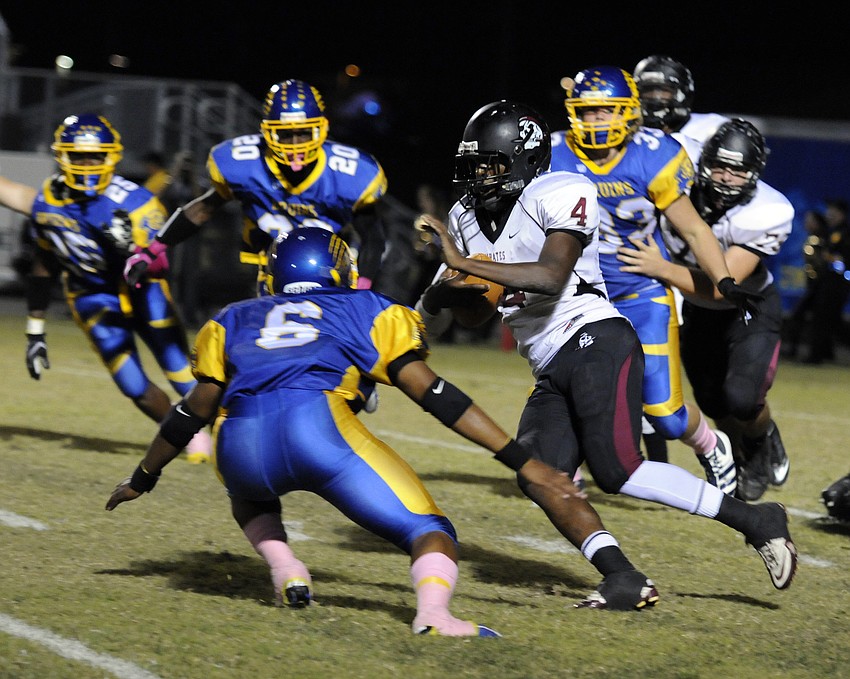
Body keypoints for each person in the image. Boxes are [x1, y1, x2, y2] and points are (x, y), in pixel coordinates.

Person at [105, 227, 589, 636]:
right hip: (317, 427)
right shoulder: (367, 309)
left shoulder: (231, 318)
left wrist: (143, 476)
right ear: (339, 271)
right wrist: (525, 463)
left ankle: (285, 566)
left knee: (248, 494)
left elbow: (192, 414)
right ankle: (434, 614)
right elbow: (435, 395)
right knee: (429, 531)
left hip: (240, 445)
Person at [415, 100, 797, 607]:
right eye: (475, 164)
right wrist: (439, 294)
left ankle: (757, 520)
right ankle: (624, 578)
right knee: (539, 473)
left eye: (493, 163)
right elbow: (476, 315)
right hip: (548, 360)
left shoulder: (560, 190)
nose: (481, 175)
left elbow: (551, 276)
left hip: (595, 336)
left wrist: (462, 263)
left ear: (526, 160)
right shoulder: (465, 216)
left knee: (618, 469)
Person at [549, 66, 760, 496]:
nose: (595, 122)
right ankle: (565, 466)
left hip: (637, 290)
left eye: (605, 111)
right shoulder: (555, 152)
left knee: (664, 413)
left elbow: (696, 229)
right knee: (572, 385)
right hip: (578, 295)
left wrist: (723, 279)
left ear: (628, 112)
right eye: (587, 113)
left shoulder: (654, 153)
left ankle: (711, 443)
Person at [0, 113, 211, 462]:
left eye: (95, 156)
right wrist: (35, 329)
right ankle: (186, 433)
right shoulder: (49, 199)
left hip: (143, 291)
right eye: (79, 156)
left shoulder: (136, 202)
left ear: (110, 156)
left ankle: (234, 433)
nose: (87, 165)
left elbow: (159, 265)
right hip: (91, 294)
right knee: (132, 384)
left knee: (181, 371)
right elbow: (44, 262)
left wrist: (129, 251)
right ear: (62, 156)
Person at [617, 119, 792, 501]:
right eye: (720, 167)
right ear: (705, 161)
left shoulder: (767, 210)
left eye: (738, 170)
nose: (727, 178)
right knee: (713, 402)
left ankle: (762, 439)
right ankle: (742, 452)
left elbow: (721, 287)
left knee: (743, 399)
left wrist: (660, 267)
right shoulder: (679, 160)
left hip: (746, 305)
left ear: (754, 173)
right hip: (696, 309)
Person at [124, 79, 388, 297]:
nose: (295, 143)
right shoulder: (246, 163)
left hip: (333, 269)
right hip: (273, 267)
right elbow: (203, 208)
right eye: (285, 134)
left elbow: (373, 235)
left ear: (321, 129)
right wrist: (152, 250)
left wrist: (362, 285)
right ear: (267, 132)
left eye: (303, 132)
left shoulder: (350, 172)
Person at [632, 55, 729, 148]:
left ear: (683, 93)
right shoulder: (630, 132)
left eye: (664, 90)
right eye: (648, 90)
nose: (654, 97)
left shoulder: (713, 128)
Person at [802, 198, 850, 364]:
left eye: (833, 212)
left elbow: (843, 262)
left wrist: (828, 258)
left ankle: (816, 356)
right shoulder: (832, 232)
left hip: (837, 283)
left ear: (842, 214)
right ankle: (824, 353)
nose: (829, 215)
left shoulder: (844, 233)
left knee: (823, 319)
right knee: (831, 321)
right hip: (830, 282)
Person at [782, 210, 829, 360]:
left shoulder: (820, 240)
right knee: (802, 317)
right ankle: (797, 349)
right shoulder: (815, 239)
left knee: (816, 320)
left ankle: (815, 354)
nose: (806, 223)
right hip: (814, 287)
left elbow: (825, 264)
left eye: (810, 220)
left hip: (821, 287)